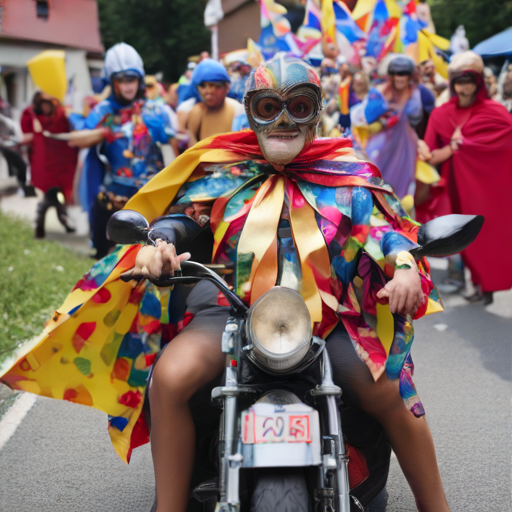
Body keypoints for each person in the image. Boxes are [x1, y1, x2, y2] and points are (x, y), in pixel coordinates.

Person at [1, 54, 449, 512]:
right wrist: (159, 243)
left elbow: (385, 232)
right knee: (170, 380)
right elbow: (183, 219)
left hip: (327, 320)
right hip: (230, 311)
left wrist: (406, 267)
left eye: (297, 106)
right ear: (250, 111)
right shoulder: (223, 171)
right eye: (268, 107)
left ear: (316, 113)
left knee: (392, 390)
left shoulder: (349, 176)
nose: (282, 120)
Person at [420, 51, 512, 304]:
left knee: (491, 235)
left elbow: (507, 141)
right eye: (460, 80)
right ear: (453, 83)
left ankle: (488, 287)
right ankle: (474, 281)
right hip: (454, 187)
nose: (465, 85)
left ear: (479, 82)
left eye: (470, 79)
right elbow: (430, 155)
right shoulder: (440, 114)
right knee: (465, 236)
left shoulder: (493, 110)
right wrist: (453, 147)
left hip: (488, 186)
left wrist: (471, 142)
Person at [71, 43, 174, 259]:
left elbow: (176, 141)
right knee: (106, 251)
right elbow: (76, 141)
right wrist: (103, 131)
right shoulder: (103, 110)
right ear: (112, 81)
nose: (128, 86)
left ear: (140, 80)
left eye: (132, 79)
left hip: (150, 191)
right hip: (114, 192)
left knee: (150, 252)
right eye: (122, 80)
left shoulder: (154, 108)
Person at [351, 56, 423, 199]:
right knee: (375, 180)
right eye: (395, 73)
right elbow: (364, 117)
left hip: (403, 145)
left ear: (409, 76)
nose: (399, 77)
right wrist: (382, 107)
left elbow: (415, 116)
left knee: (400, 186)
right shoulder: (380, 92)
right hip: (378, 143)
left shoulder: (413, 94)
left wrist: (396, 111)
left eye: (403, 73)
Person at [20, 92, 78, 238]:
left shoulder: (62, 114)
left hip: (63, 162)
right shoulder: (32, 116)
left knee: (58, 195)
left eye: (48, 104)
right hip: (46, 164)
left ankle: (59, 221)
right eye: (42, 105)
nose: (45, 108)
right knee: (51, 195)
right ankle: (50, 223)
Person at [186, 59, 244, 146]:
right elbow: (192, 147)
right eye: (203, 86)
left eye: (216, 86)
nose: (209, 91)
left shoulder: (237, 109)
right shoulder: (197, 111)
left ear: (226, 87)